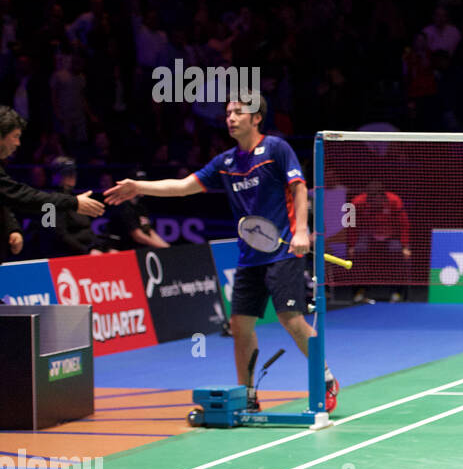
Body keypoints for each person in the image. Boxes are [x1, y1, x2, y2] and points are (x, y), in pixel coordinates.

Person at [104, 97, 340, 415]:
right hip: (249, 257)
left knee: (292, 320)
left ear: (256, 118)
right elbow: (184, 186)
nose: (229, 118)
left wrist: (301, 231)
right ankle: (247, 393)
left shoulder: (276, 149)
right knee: (240, 325)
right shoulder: (225, 162)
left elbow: (298, 187)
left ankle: (325, 380)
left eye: (237, 112)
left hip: (283, 252)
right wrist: (139, 187)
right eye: (227, 113)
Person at [0, 106, 103, 262]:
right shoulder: (55, 198)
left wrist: (11, 229)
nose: (18, 143)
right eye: (15, 136)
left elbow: (4, 197)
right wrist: (73, 203)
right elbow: (20, 195)